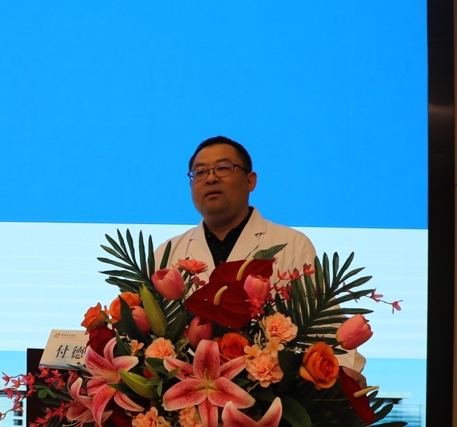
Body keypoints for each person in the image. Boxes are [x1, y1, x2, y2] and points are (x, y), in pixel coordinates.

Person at [156, 135, 365, 373]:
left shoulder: (290, 244)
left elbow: (323, 325)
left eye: (223, 168)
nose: (211, 178)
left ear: (250, 181)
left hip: (269, 384)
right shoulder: (168, 254)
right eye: (200, 172)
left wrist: (344, 374)